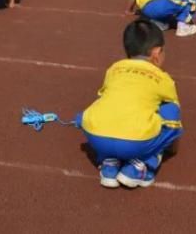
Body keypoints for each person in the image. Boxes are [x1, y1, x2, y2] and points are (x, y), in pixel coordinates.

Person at [77, 20, 183, 189]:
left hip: (95, 137)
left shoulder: (114, 69)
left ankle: (109, 162)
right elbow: (173, 119)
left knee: (105, 102)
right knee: (170, 108)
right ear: (156, 53)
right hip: (134, 143)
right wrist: (169, 145)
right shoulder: (163, 78)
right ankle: (142, 166)